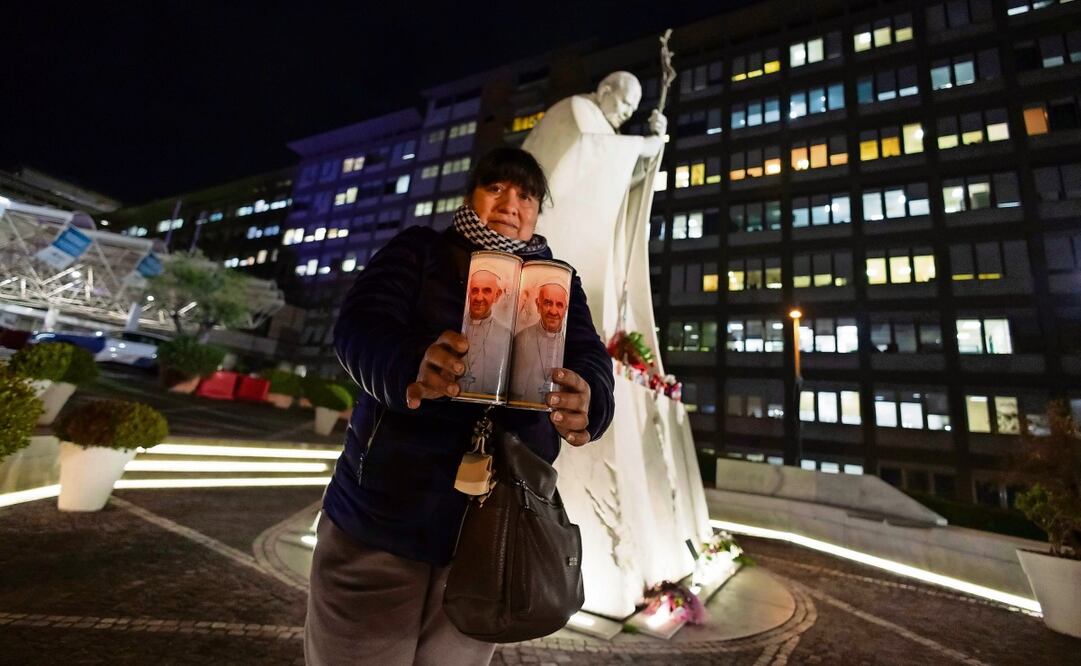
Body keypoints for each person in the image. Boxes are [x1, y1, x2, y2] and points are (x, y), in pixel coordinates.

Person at [305, 147, 615, 666]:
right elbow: (359, 329)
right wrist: (412, 366)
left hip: (495, 528)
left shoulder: (559, 283)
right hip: (386, 510)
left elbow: (588, 354)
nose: (510, 204)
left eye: (526, 195)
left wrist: (592, 398)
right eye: (496, 188)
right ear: (472, 195)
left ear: (538, 211)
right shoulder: (420, 250)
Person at [522, 70, 667, 375]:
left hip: (584, 233)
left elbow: (618, 180)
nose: (627, 113)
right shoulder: (576, 108)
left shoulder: (608, 130)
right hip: (553, 225)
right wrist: (643, 145)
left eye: (632, 108)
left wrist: (655, 149)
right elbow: (588, 152)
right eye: (625, 103)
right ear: (605, 89)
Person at [509, 282, 568, 406]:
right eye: (547, 303)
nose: (553, 311)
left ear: (565, 309)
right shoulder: (521, 338)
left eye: (559, 305)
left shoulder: (570, 343)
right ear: (538, 305)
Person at [460, 268, 511, 397]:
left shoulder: (505, 335)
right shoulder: (456, 326)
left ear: (497, 295)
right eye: (474, 290)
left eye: (486, 291)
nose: (479, 297)